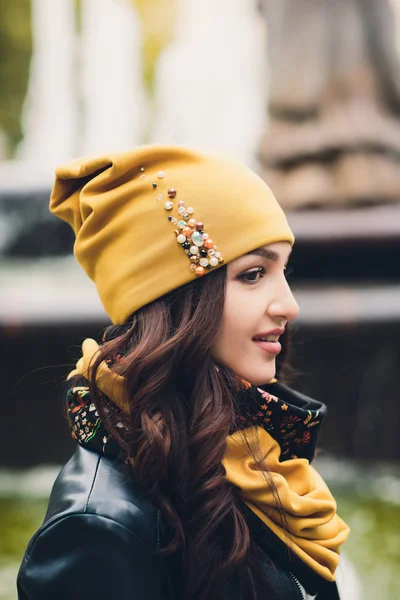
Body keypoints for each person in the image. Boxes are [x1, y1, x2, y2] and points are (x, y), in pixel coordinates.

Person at [17, 145, 350, 599]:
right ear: (175, 300)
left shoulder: (252, 454)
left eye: (283, 271)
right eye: (253, 274)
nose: (289, 304)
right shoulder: (98, 529)